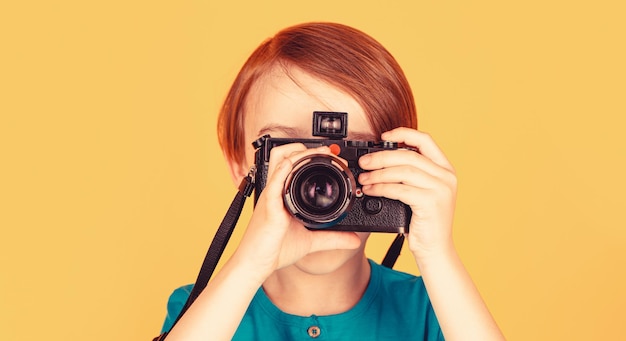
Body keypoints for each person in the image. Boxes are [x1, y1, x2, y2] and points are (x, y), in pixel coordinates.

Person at [158, 22, 505, 340]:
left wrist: (437, 254)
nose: (323, 180)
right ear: (242, 166)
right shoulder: (203, 312)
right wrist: (248, 265)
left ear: (402, 164)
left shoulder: (438, 309)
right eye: (287, 152)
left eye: (354, 155)